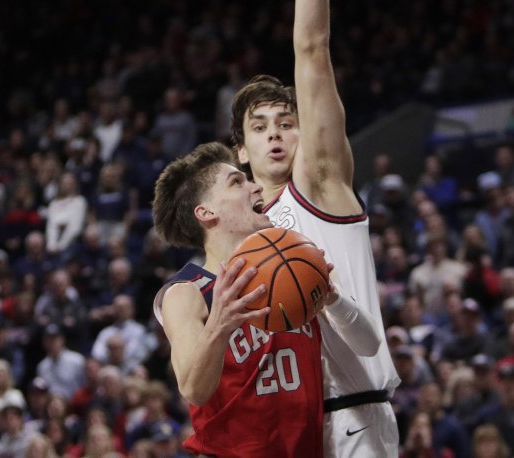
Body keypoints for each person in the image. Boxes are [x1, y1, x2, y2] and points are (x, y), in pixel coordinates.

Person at [231, 0, 399, 455]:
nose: (275, 134)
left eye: (287, 123)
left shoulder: (320, 187)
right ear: (241, 150)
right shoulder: (239, 235)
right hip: (282, 428)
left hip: (352, 415)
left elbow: (311, 48)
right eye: (260, 126)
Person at [151, 142, 379, 457]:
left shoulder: (299, 267)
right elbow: (193, 389)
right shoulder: (187, 291)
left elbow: (371, 347)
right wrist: (220, 325)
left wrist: (335, 299)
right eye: (237, 182)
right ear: (206, 212)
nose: (256, 187)